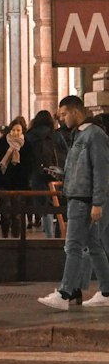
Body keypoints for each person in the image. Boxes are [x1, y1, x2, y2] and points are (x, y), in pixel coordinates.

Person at [39, 95, 109, 310]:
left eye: (64, 114)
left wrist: (98, 202)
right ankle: (106, 291)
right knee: (94, 246)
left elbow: (101, 170)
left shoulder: (93, 135)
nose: (62, 119)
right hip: (80, 196)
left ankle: (65, 292)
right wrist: (64, 174)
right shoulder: (80, 135)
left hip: (83, 200)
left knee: (73, 246)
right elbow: (87, 168)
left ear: (76, 112)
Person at [0, 116, 33, 237]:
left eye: (18, 130)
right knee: (6, 210)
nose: (15, 132)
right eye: (13, 130)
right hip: (4, 182)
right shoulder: (0, 144)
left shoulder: (26, 145)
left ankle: (16, 237)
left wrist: (27, 178)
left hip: (20, 184)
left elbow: (30, 164)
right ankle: (5, 234)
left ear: (22, 131)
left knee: (17, 212)